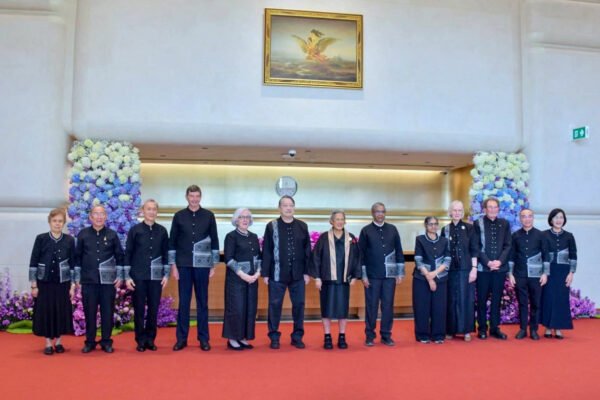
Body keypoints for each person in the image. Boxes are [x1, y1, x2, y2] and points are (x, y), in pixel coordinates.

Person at [169, 185, 219, 351]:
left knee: (202, 302)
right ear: (187, 197)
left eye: (197, 196)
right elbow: (172, 242)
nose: (194, 199)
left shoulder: (209, 216)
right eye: (192, 196)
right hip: (183, 265)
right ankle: (181, 339)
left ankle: (203, 339)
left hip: (203, 265)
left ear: (200, 197)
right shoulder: (178, 216)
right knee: (184, 303)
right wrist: (173, 266)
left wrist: (213, 264)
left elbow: (214, 240)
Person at [261, 195, 311, 350]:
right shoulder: (272, 226)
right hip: (277, 274)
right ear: (279, 208)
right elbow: (267, 250)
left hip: (298, 275)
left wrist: (307, 272)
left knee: (299, 305)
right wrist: (265, 273)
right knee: (274, 305)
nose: (288, 208)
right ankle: (274, 336)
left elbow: (307, 251)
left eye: (291, 205)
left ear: (294, 207)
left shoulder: (302, 226)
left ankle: (297, 337)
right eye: (285, 205)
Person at [75, 205, 124, 353]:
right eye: (96, 214)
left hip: (108, 282)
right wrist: (77, 278)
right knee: (89, 312)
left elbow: (120, 256)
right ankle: (90, 342)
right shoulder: (83, 234)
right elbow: (77, 258)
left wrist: (120, 276)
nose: (99, 216)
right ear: (90, 217)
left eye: (102, 214)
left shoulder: (112, 235)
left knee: (107, 312)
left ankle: (106, 341)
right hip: (88, 281)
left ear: (106, 216)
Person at [124, 199, 170, 352]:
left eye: (154, 209)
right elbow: (128, 253)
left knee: (153, 309)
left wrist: (166, 275)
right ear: (142, 211)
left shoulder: (162, 231)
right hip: (138, 276)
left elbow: (166, 254)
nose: (151, 212)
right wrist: (127, 277)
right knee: (139, 309)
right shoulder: (135, 230)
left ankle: (150, 339)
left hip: (156, 277)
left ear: (157, 212)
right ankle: (140, 340)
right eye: (148, 209)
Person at [29, 208, 76, 355]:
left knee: (61, 312)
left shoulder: (69, 240)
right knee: (47, 312)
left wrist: (73, 285)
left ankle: (59, 342)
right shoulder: (41, 239)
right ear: (49, 222)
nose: (57, 224)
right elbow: (33, 262)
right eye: (54, 221)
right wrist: (34, 285)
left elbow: (73, 264)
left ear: (64, 223)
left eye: (60, 221)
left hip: (63, 283)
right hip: (44, 283)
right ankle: (48, 343)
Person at [311, 210, 360, 350]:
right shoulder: (324, 238)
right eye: (337, 219)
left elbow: (357, 258)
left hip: (344, 280)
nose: (339, 222)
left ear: (345, 221)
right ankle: (327, 336)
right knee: (326, 309)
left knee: (342, 310)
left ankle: (342, 336)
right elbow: (316, 258)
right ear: (331, 221)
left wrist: (355, 276)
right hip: (327, 280)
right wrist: (317, 277)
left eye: (342, 219)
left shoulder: (351, 238)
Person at [359, 202, 405, 347]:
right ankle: (369, 335)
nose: (380, 214)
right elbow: (361, 255)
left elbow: (399, 251)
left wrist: (400, 273)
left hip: (389, 276)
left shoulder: (392, 229)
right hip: (372, 275)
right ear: (372, 213)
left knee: (388, 306)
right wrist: (363, 276)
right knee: (371, 306)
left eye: (382, 211)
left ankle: (386, 335)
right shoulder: (366, 230)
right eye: (377, 211)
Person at [222, 208, 261, 351]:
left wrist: (257, 273)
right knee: (236, 308)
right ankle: (233, 338)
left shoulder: (254, 236)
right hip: (236, 280)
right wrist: (243, 275)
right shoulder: (231, 236)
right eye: (241, 217)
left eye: (247, 217)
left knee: (249, 309)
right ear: (236, 220)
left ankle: (244, 337)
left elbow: (259, 257)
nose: (245, 220)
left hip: (252, 279)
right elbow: (229, 259)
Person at [507, 208, 549, 340]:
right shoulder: (515, 236)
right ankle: (523, 329)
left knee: (536, 303)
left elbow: (546, 256)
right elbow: (511, 256)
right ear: (520, 219)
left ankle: (534, 329)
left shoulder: (541, 235)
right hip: (519, 274)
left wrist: (545, 273)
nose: (527, 219)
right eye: (524, 216)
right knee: (522, 303)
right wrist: (510, 274)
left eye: (529, 216)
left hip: (537, 276)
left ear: (533, 218)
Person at [473, 197, 511, 340]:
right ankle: (482, 329)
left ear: (498, 209)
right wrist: (488, 262)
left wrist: (499, 261)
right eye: (490, 207)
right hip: (483, 269)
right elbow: (476, 246)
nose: (493, 210)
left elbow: (508, 245)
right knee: (481, 300)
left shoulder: (504, 224)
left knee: (497, 300)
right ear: (484, 209)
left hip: (500, 269)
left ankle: (495, 328)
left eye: (495, 207)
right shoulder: (478, 223)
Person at [441, 200, 478, 342]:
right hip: (450, 270)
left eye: (459, 210)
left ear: (463, 212)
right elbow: (443, 251)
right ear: (450, 212)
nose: (457, 213)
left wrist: (474, 269)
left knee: (466, 299)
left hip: (466, 269)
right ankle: (450, 330)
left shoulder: (470, 228)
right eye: (454, 210)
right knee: (451, 299)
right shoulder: (445, 229)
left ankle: (466, 330)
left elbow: (474, 250)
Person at [413, 216, 451, 344]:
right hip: (421, 279)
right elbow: (418, 260)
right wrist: (429, 278)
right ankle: (422, 335)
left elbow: (447, 260)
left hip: (440, 278)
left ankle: (438, 335)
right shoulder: (420, 239)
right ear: (425, 225)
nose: (433, 226)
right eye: (430, 224)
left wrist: (434, 274)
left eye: (435, 224)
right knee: (422, 307)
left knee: (439, 307)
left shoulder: (444, 241)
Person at [541, 208, 577, 339]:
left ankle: (558, 328)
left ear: (564, 220)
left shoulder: (569, 236)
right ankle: (548, 327)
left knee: (561, 299)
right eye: (556, 217)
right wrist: (544, 272)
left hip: (563, 272)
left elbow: (573, 256)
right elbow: (542, 254)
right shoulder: (544, 235)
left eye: (561, 217)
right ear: (551, 220)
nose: (558, 220)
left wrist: (571, 273)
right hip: (548, 271)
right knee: (548, 298)